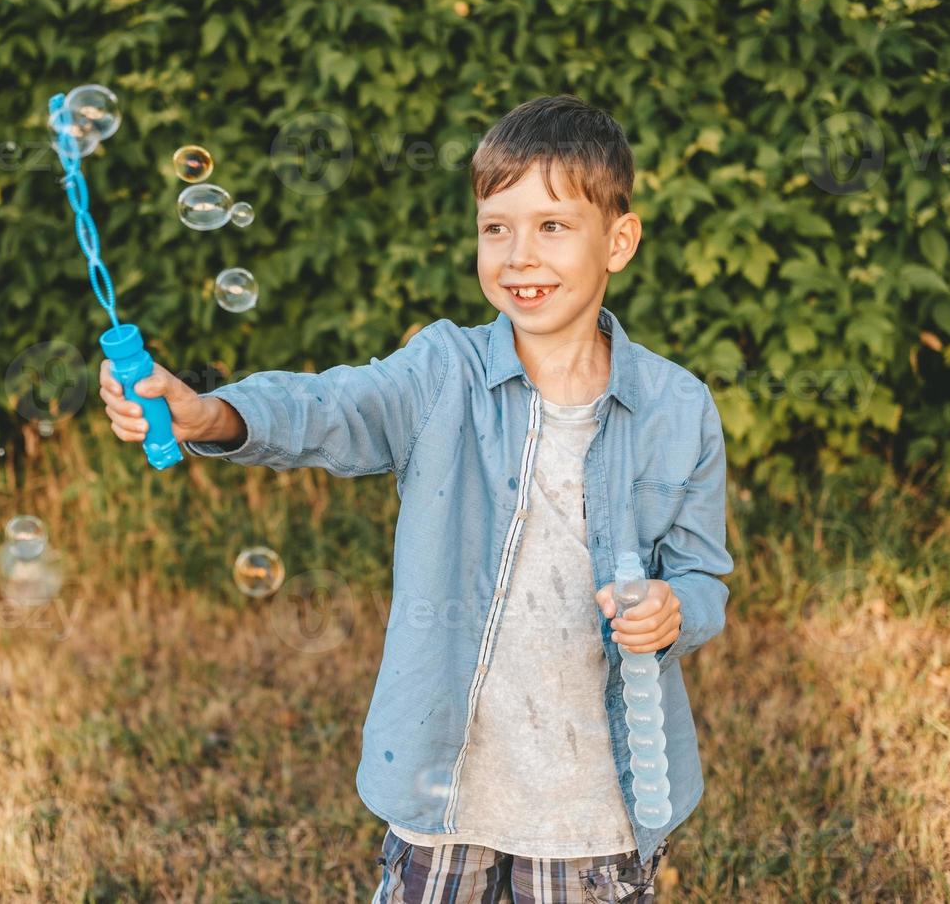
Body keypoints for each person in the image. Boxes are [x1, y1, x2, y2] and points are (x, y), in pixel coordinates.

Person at [100, 94, 734, 902]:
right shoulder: (442, 373)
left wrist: (675, 611)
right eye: (494, 226)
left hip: (594, 801)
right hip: (448, 788)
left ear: (619, 240)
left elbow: (703, 577)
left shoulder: (679, 409)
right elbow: (329, 408)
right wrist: (208, 411)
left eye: (551, 226)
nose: (517, 255)